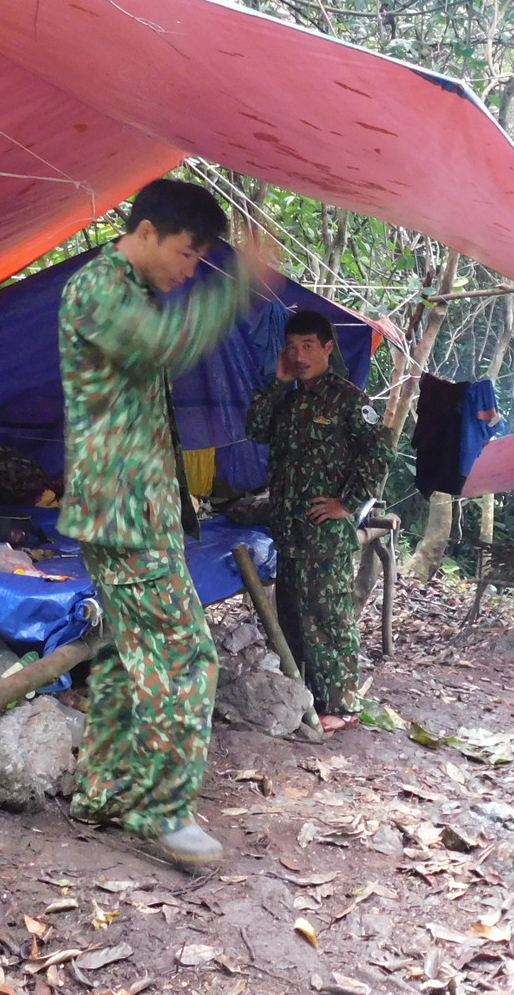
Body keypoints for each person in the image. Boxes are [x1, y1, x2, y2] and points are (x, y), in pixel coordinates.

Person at [58, 177, 278, 868]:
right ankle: (162, 811)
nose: (190, 272)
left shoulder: (129, 289)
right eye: (188, 255)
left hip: (130, 507)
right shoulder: (100, 288)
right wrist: (235, 286)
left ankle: (103, 791)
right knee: (186, 656)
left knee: (129, 656)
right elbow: (161, 347)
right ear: (146, 231)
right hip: (123, 513)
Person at [245, 310, 391, 732]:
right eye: (293, 346)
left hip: (325, 532)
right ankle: (304, 697)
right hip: (289, 529)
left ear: (328, 348)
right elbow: (255, 428)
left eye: (309, 346)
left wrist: (347, 504)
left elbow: (380, 453)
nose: (300, 355)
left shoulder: (349, 400)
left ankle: (341, 706)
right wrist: (277, 380)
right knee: (292, 615)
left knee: (328, 616)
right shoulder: (289, 400)